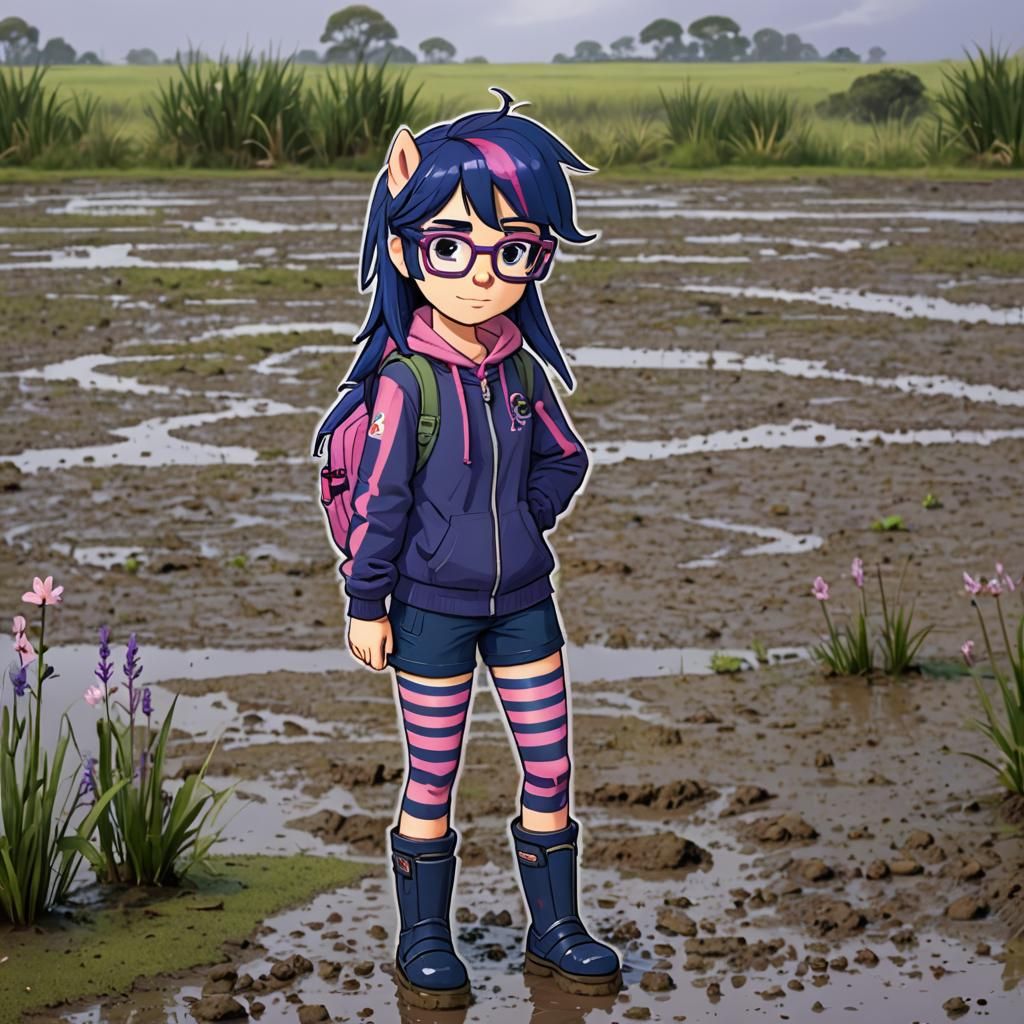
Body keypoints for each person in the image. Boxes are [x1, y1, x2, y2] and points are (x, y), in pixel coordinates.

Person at [333, 88, 622, 1010]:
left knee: (550, 761)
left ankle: (555, 927)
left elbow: (566, 458)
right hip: (427, 610)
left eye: (514, 251)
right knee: (433, 773)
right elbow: (379, 503)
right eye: (451, 247)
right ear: (404, 247)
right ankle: (423, 937)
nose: (482, 274)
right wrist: (366, 603)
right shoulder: (404, 383)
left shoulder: (523, 369)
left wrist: (524, 521)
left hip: (522, 604)